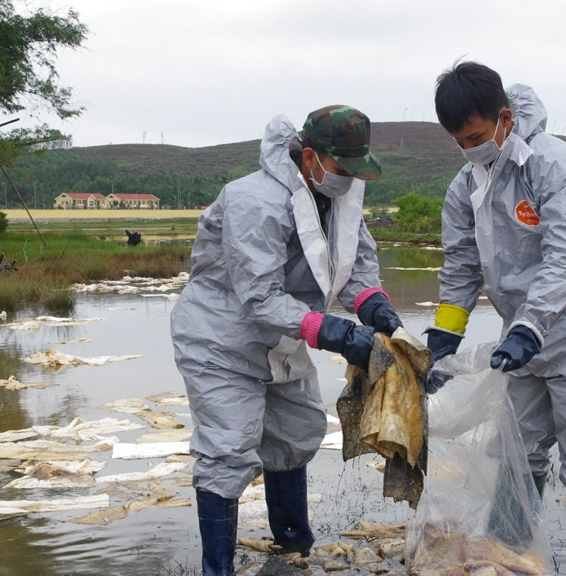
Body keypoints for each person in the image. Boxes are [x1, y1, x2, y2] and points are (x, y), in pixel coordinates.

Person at [170, 105, 403, 576]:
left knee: (295, 433)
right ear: (310, 157)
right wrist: (336, 332)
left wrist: (376, 309)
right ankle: (218, 569)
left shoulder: (339, 200)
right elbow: (259, 297)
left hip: (285, 338)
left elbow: (357, 268)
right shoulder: (253, 201)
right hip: (222, 338)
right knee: (228, 448)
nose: (349, 179)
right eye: (342, 168)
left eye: (356, 170)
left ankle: (293, 550)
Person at [425, 62, 566, 576]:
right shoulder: (465, 187)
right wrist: (444, 337)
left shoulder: (560, 167)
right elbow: (462, 267)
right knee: (517, 450)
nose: (468, 149)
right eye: (459, 142)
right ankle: (513, 562)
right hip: (522, 337)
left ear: (505, 117)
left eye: (476, 137)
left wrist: (530, 326)